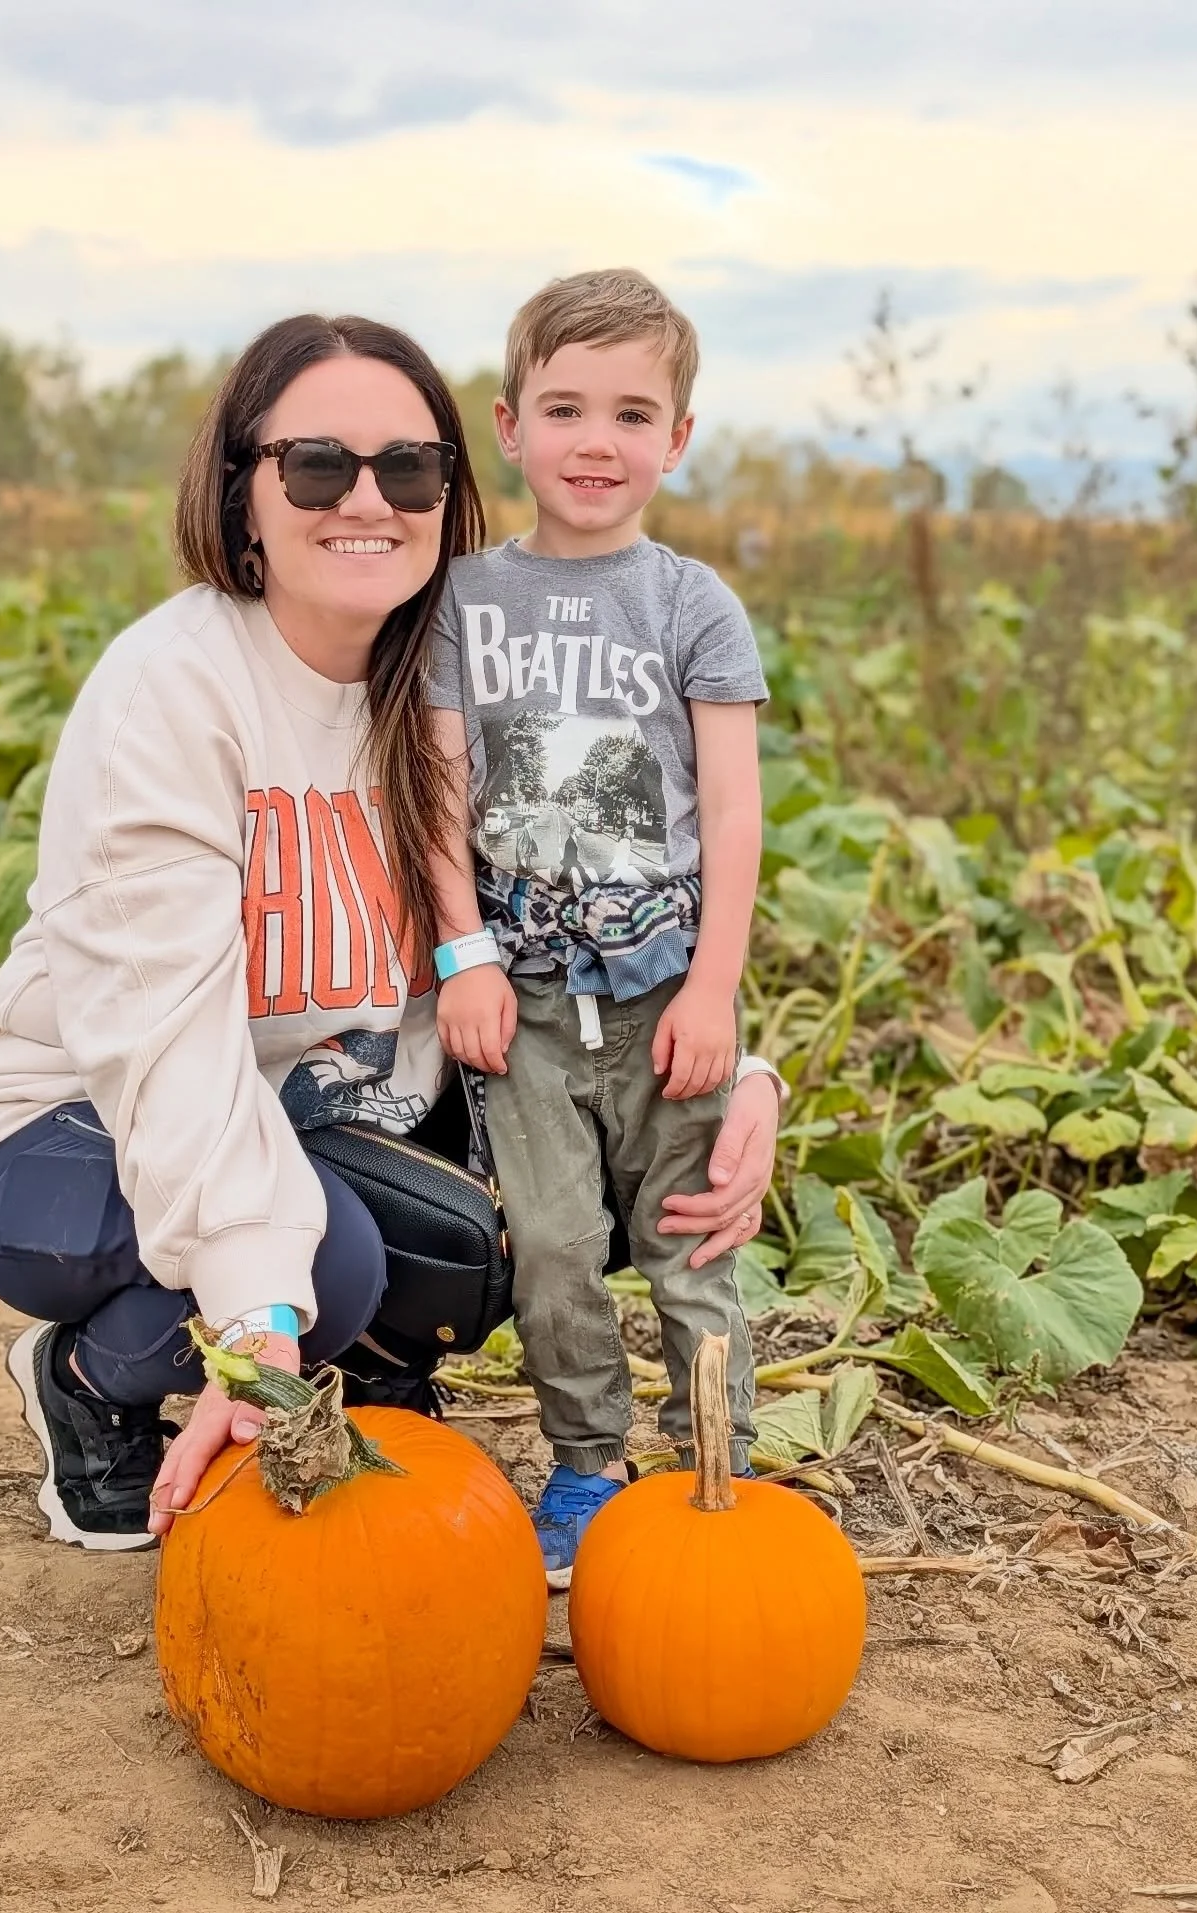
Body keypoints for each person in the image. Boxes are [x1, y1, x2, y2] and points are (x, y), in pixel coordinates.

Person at [0, 310, 783, 1554]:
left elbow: (568, 910)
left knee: (486, 1247)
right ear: (243, 493)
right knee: (324, 1271)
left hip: (315, 1115)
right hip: (79, 1123)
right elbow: (169, 1058)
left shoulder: (444, 683)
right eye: (318, 465)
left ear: (453, 486)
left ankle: (353, 1337)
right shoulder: (171, 691)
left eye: (410, 467)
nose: (366, 500)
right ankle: (91, 1381)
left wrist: (736, 1070)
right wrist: (261, 1336)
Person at [431, 268, 774, 1585]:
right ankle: (585, 1464)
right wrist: (463, 947)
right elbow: (439, 793)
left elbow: (732, 816)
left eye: (633, 414)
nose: (596, 441)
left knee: (692, 1244)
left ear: (676, 440)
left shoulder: (691, 607)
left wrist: (716, 993)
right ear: (510, 425)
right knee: (558, 1251)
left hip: (659, 998)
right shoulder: (465, 602)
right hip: (519, 1006)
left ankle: (715, 1466)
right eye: (565, 408)